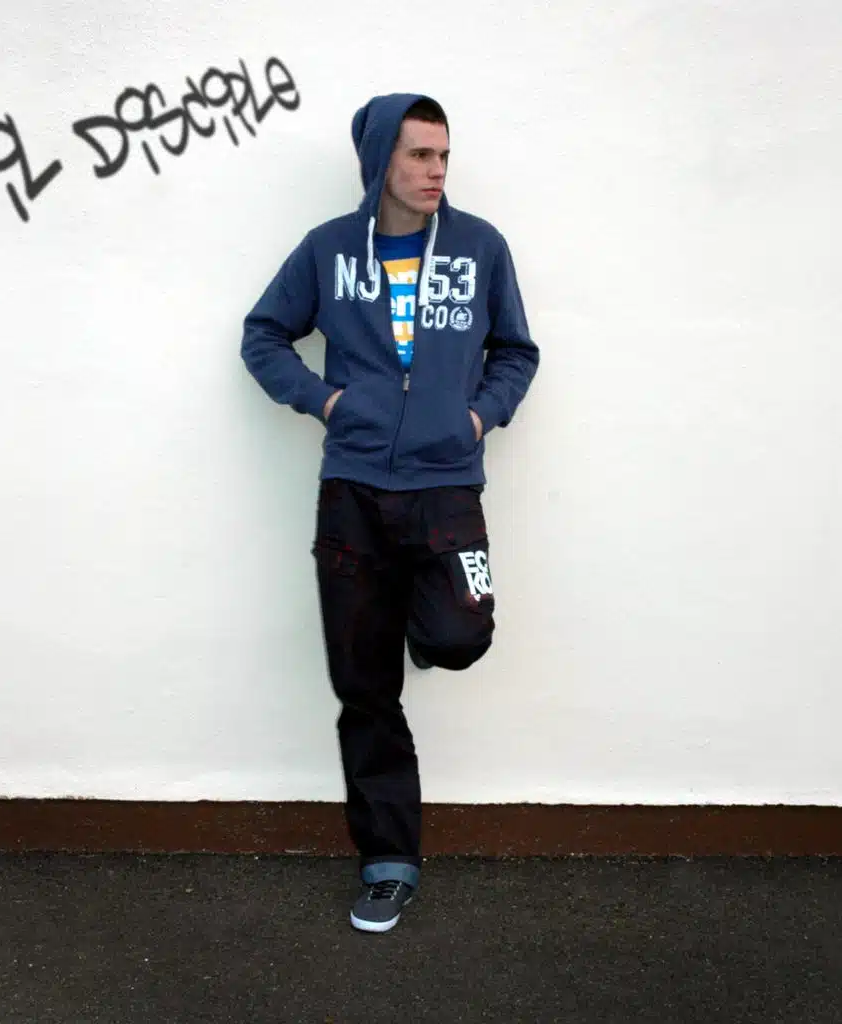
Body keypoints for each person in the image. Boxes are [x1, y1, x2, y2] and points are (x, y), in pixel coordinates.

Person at [240, 93, 539, 933]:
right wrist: (328, 402)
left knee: (459, 634)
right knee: (364, 686)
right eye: (419, 155)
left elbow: (516, 351)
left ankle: (422, 619)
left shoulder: (480, 248)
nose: (437, 171)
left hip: (447, 487)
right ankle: (388, 862)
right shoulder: (328, 250)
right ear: (381, 161)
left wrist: (477, 417)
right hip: (354, 489)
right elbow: (263, 336)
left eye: (443, 155)